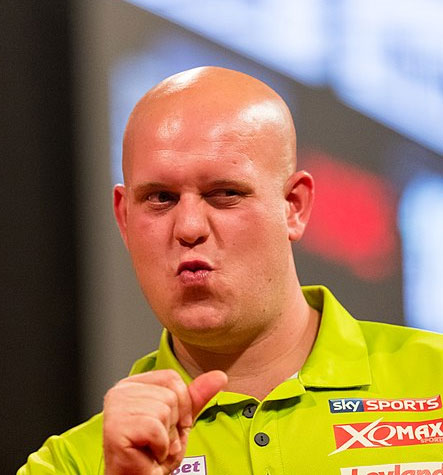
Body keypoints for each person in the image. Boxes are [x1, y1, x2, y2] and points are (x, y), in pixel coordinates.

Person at [19, 67, 443, 475]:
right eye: (161, 198)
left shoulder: (434, 378)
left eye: (224, 193)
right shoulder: (71, 464)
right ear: (124, 218)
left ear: (294, 206)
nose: (189, 228)